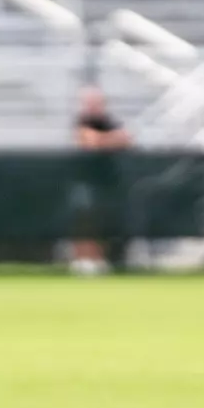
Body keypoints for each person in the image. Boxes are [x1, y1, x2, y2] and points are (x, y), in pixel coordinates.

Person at [69, 84, 131, 276]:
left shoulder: (110, 122)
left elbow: (126, 139)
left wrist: (103, 140)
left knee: (103, 221)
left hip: (107, 181)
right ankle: (83, 260)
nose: (93, 106)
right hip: (86, 181)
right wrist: (108, 140)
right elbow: (89, 142)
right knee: (85, 221)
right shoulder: (82, 121)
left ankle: (99, 260)